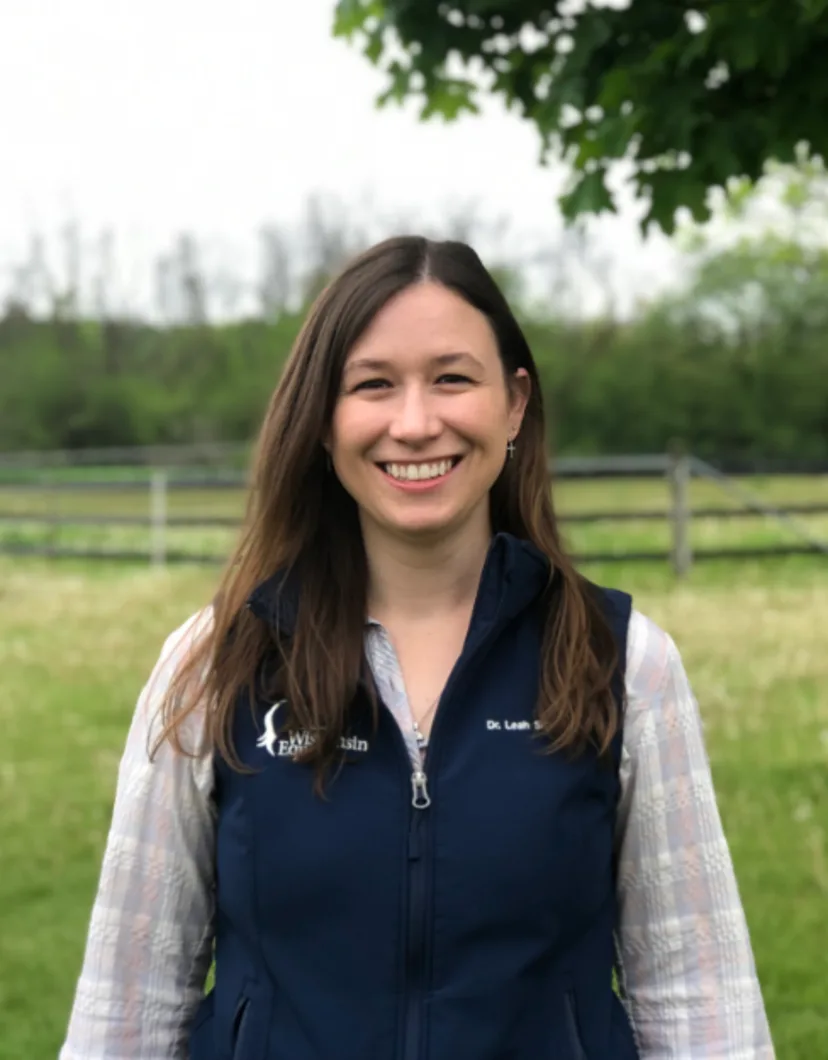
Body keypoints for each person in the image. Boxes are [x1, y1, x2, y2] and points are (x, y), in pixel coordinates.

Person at [60, 236, 774, 1060]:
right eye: (372, 385)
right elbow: (129, 1004)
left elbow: (700, 1002)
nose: (414, 422)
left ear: (513, 405)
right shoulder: (217, 663)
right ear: (323, 421)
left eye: (451, 378)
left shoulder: (621, 663)